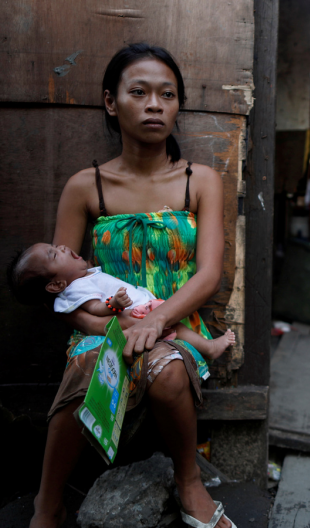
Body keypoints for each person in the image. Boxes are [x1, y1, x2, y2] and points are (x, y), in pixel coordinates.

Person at [29, 43, 234, 528]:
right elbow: (62, 291)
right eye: (138, 92)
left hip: (177, 321)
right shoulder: (86, 187)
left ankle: (188, 481)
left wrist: (159, 318)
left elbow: (209, 274)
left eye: (167, 94)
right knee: (86, 368)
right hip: (106, 323)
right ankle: (47, 503)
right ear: (110, 102)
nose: (154, 104)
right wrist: (103, 327)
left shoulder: (199, 180)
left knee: (164, 372)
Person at [7, 242, 236, 360]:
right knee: (173, 326)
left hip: (140, 310)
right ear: (56, 285)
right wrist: (113, 304)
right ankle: (210, 347)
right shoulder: (76, 288)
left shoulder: (82, 278)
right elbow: (95, 308)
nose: (63, 247)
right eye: (55, 254)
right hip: (137, 315)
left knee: (172, 326)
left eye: (55, 246)